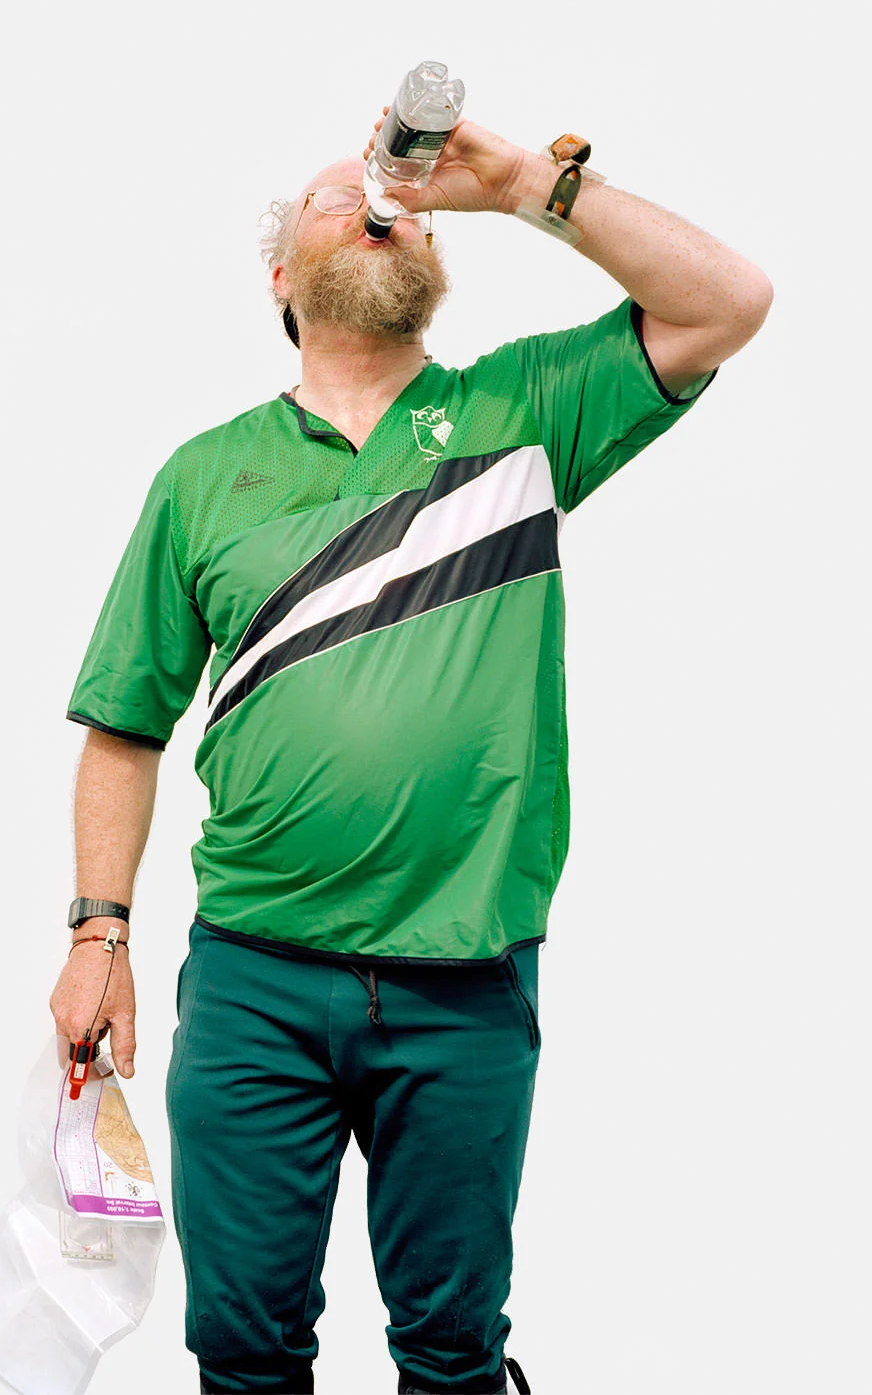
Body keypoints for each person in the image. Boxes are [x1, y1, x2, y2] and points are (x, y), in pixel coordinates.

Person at [50, 108, 773, 1395]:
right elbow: (124, 727)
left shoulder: (520, 412)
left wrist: (528, 186)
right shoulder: (204, 477)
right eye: (335, 197)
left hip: (464, 977)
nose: (377, 206)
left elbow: (728, 302)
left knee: (451, 1351)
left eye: (401, 206)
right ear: (281, 277)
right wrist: (98, 937)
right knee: (242, 1347)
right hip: (254, 980)